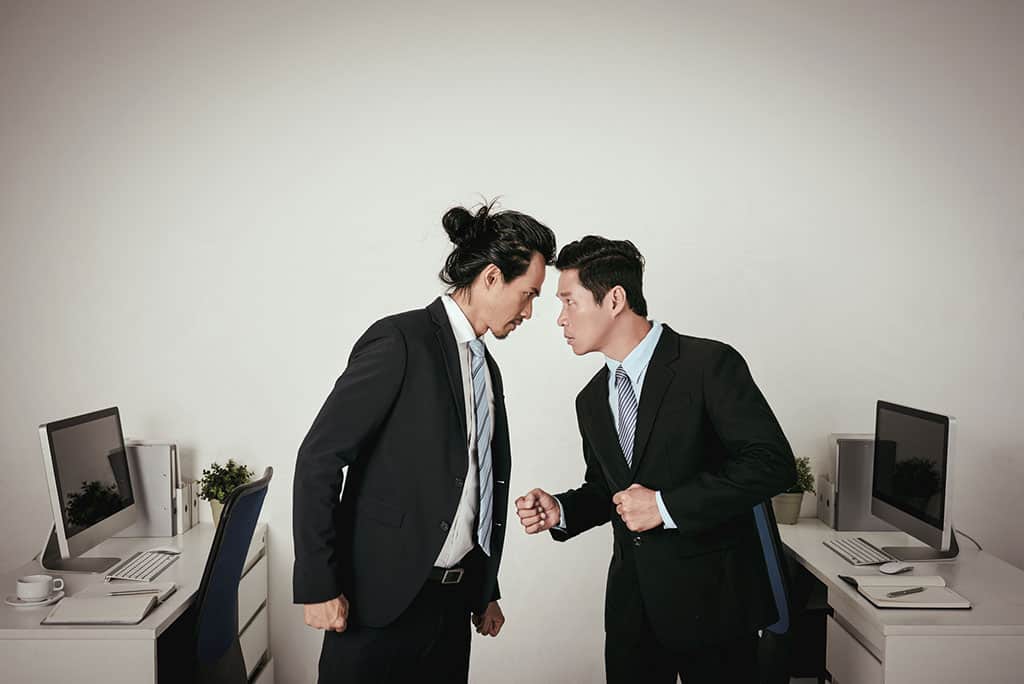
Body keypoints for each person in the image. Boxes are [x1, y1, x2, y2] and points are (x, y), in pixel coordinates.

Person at [515, 236, 796, 683]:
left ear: (615, 300)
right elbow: (609, 491)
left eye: (569, 302)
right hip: (632, 617)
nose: (560, 319)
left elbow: (770, 463)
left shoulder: (708, 364)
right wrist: (563, 509)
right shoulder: (590, 399)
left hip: (717, 611)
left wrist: (665, 507)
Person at [294, 202, 556, 683]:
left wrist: (484, 587)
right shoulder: (400, 341)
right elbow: (319, 458)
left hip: (451, 608)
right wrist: (317, 584)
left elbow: (474, 481)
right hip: (377, 605)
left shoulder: (485, 366)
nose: (530, 311)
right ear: (492, 278)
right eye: (528, 294)